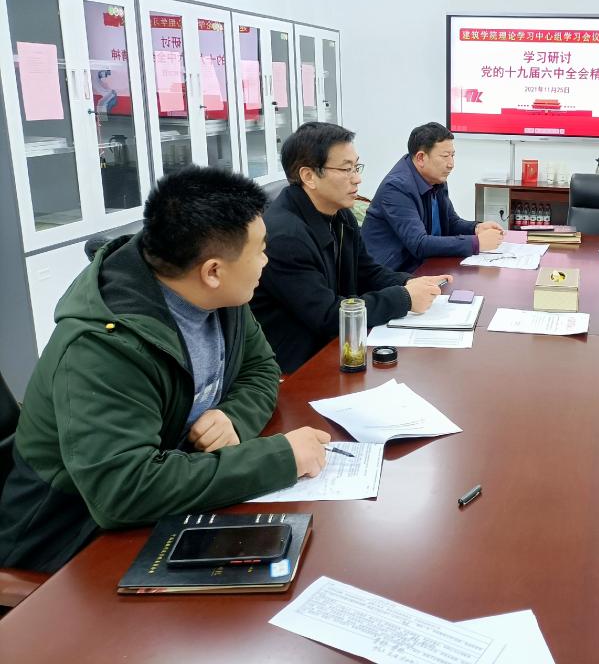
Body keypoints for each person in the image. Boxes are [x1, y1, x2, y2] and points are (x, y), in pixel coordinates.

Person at [0, 167, 330, 573]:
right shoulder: (104, 347)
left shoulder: (223, 296)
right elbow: (124, 492)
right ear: (213, 271)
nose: (266, 260)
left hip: (168, 503)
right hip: (69, 543)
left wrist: (234, 417)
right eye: (260, 250)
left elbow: (261, 368)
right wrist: (278, 459)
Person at [251, 122, 451, 373]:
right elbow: (327, 315)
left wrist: (409, 282)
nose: (357, 178)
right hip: (298, 368)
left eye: (356, 167)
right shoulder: (285, 237)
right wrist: (404, 298)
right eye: (346, 169)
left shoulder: (340, 213)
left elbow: (366, 271)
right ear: (309, 176)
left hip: (337, 348)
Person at [361, 122, 504, 272]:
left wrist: (476, 228)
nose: (451, 164)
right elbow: (419, 244)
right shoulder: (396, 188)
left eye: (453, 155)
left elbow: (451, 223)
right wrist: (476, 243)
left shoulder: (436, 179)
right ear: (421, 158)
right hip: (391, 273)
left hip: (424, 264)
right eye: (445, 156)